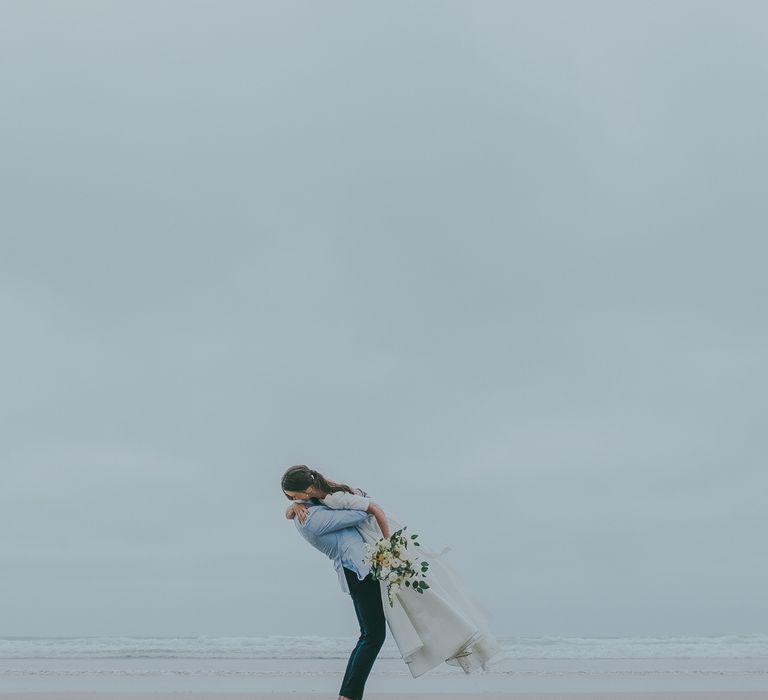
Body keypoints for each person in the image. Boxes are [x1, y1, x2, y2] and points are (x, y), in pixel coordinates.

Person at [282, 464, 501, 682]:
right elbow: (360, 513)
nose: (291, 500)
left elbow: (364, 509)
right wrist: (294, 508)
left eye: (292, 496)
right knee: (372, 635)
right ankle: (348, 695)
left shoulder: (319, 503)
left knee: (379, 630)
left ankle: (349, 694)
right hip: (358, 572)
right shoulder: (310, 516)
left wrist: (385, 540)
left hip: (366, 569)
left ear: (307, 490)